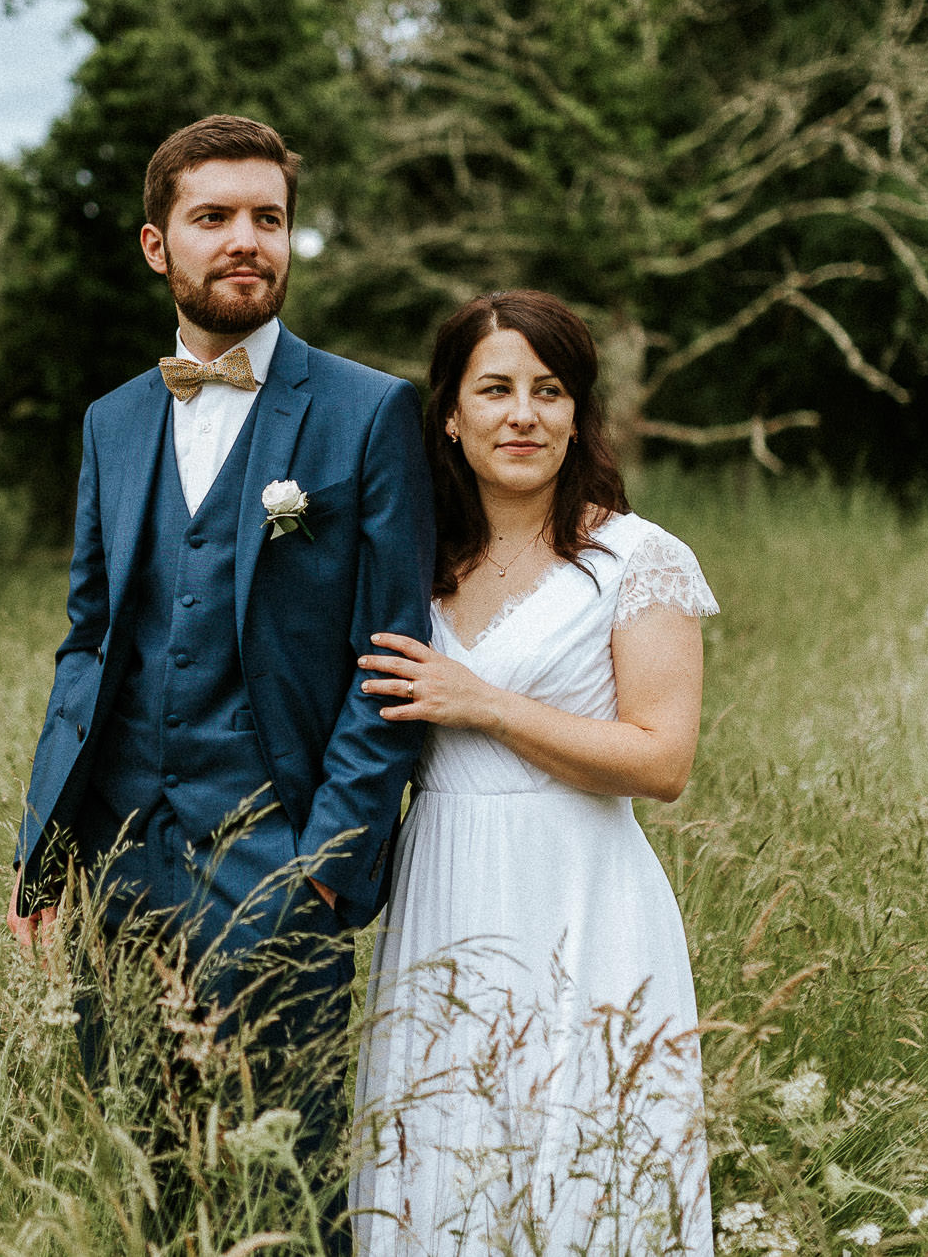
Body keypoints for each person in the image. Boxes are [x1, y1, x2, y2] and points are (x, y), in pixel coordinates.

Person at [5, 114, 435, 1242]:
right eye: (214, 218)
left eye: (269, 218)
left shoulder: (369, 412)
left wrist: (327, 871)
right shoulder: (112, 421)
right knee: (144, 1181)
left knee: (284, 1186)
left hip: (280, 863)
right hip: (118, 860)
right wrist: (43, 851)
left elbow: (391, 661)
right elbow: (89, 640)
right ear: (159, 246)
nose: (246, 240)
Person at [350, 291, 717, 1256]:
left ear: (577, 414)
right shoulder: (410, 561)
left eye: (549, 391)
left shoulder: (637, 559)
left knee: (585, 1157)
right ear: (450, 415)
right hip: (440, 885)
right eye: (496, 389)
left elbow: (663, 760)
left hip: (581, 893)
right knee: (439, 1149)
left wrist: (486, 703)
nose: (524, 414)